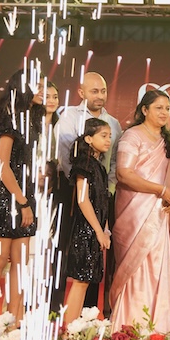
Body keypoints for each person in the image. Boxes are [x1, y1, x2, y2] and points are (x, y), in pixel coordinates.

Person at [0, 69, 44, 340]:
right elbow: (2, 166)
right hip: (6, 197)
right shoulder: (11, 119)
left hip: (25, 195)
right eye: (37, 85)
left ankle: (14, 323)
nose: (42, 90)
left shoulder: (32, 120)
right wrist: (23, 201)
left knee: (20, 262)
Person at [109, 90, 170, 334]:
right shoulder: (132, 136)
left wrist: (169, 193)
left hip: (159, 211)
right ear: (144, 110)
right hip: (133, 211)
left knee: (156, 264)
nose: (164, 112)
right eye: (158, 107)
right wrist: (161, 191)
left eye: (167, 108)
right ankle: (128, 326)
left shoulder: (167, 139)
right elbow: (124, 174)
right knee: (135, 265)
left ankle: (158, 327)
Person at [52, 72, 122, 315]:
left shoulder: (113, 123)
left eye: (103, 91)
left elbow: (114, 163)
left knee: (90, 267)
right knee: (65, 256)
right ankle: (56, 314)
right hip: (71, 191)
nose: (100, 96)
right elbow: (64, 156)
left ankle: (87, 316)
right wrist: (83, 181)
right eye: (94, 91)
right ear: (81, 93)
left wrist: (104, 189)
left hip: (100, 195)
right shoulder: (69, 117)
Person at [63, 118, 112, 323]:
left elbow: (103, 201)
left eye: (110, 136)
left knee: (85, 282)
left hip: (95, 230)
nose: (108, 140)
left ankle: (72, 328)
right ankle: (67, 329)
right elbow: (83, 200)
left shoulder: (99, 167)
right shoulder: (83, 164)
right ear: (89, 139)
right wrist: (98, 231)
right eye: (103, 136)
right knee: (80, 281)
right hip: (85, 230)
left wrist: (105, 229)